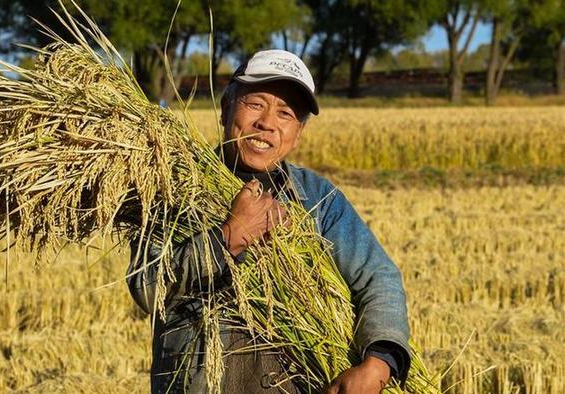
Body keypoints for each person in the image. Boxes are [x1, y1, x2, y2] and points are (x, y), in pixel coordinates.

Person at [127, 49, 411, 393]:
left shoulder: (318, 198)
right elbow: (147, 286)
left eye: (286, 113)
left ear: (298, 133)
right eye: (255, 104)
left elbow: (378, 276)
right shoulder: (175, 188)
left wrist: (378, 362)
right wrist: (228, 238)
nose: (267, 123)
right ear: (226, 107)